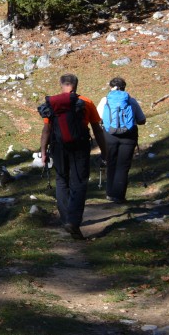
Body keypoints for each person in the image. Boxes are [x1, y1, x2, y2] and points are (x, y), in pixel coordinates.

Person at [39, 73, 107, 240]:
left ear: (61, 84)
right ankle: (73, 221)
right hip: (80, 146)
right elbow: (97, 129)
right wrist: (104, 151)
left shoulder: (53, 104)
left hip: (58, 146)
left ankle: (65, 219)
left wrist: (43, 152)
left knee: (62, 180)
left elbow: (46, 130)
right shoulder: (86, 102)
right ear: (76, 84)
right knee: (79, 182)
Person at [97, 77, 146, 203]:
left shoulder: (105, 100)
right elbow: (142, 120)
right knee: (123, 166)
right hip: (128, 136)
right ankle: (119, 196)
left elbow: (98, 118)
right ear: (124, 87)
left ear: (110, 87)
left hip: (109, 135)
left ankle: (109, 193)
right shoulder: (131, 100)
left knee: (111, 162)